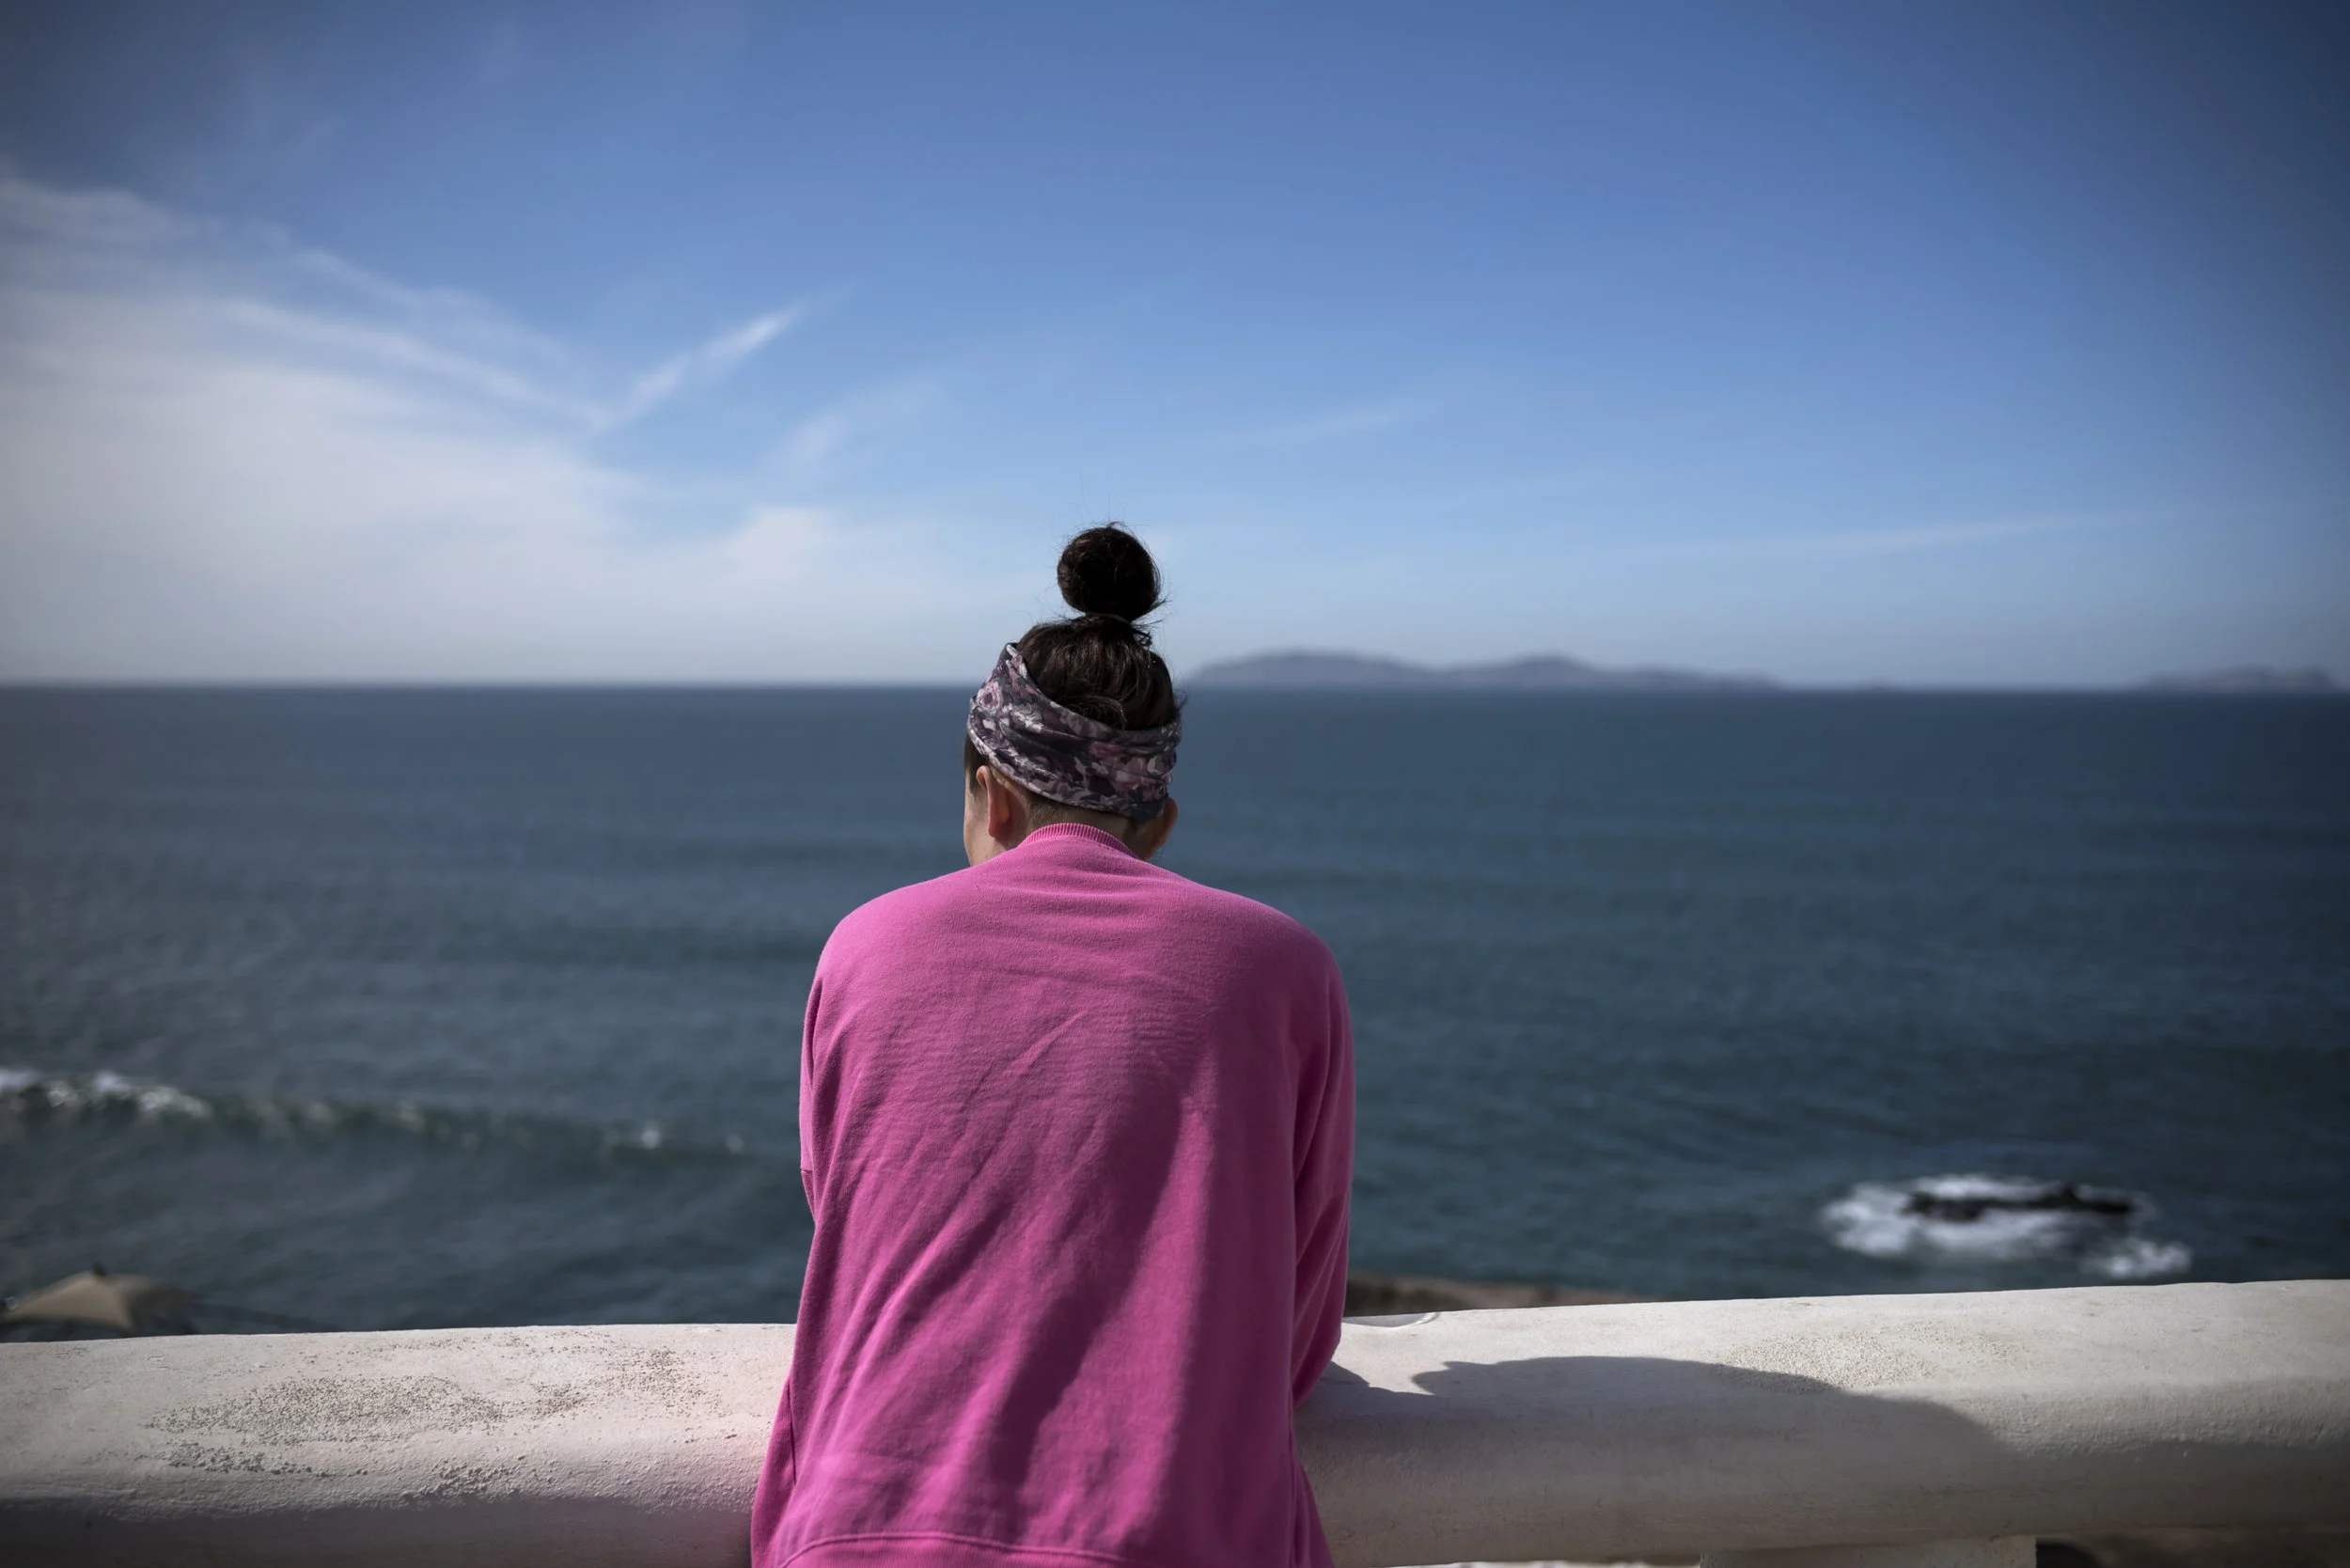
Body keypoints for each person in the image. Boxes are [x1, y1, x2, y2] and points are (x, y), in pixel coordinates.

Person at [751, 525, 1356, 1568]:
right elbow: (1297, 1332)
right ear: (1158, 823)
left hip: (862, 1532)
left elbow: (842, 1214)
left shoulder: (865, 947)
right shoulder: (1285, 970)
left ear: (990, 792)